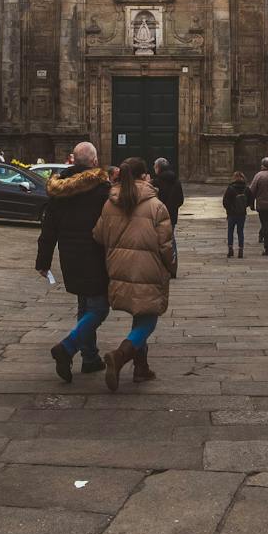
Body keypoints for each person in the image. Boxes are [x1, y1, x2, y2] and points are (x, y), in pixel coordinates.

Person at [91, 158, 174, 391]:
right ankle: (120, 356)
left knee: (141, 315)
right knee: (147, 319)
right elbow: (166, 244)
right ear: (145, 176)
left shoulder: (110, 203)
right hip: (147, 268)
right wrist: (172, 267)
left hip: (118, 268)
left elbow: (97, 234)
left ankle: (141, 368)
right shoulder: (156, 205)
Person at [36, 141, 112, 382]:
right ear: (95, 161)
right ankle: (68, 347)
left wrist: (44, 260)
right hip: (96, 255)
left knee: (84, 306)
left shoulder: (60, 191)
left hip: (69, 256)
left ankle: (90, 358)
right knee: (99, 308)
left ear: (73, 161)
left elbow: (49, 228)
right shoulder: (101, 190)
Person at [153, 157, 184, 274]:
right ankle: (172, 266)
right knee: (171, 240)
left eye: (155, 167)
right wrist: (172, 207)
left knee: (158, 240)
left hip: (158, 216)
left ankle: (160, 267)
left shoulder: (156, 182)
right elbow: (180, 200)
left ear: (158, 168)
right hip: (172, 215)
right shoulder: (176, 181)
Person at [222, 171, 252, 258]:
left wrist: (230, 209)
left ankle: (230, 249)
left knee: (230, 231)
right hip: (242, 213)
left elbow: (225, 201)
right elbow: (250, 199)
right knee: (240, 231)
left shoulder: (230, 188)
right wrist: (243, 206)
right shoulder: (246, 188)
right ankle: (240, 250)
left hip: (232, 214)